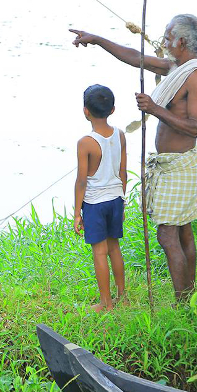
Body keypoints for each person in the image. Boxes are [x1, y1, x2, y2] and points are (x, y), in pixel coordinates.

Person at [69, 15, 197, 301]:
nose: (163, 40)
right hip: (170, 165)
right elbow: (136, 58)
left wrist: (154, 108)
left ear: (181, 41)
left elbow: (193, 126)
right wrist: (98, 40)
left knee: (169, 235)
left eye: (167, 36)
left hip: (181, 166)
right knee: (183, 231)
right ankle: (188, 297)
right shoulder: (178, 68)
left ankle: (182, 304)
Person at [74, 85, 128, 313]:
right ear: (113, 109)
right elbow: (123, 171)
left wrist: (77, 213)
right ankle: (122, 297)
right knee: (114, 247)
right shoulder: (120, 135)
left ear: (85, 110)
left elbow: (82, 181)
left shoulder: (86, 142)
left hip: (95, 203)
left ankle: (105, 303)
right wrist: (122, 198)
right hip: (116, 198)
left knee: (100, 251)